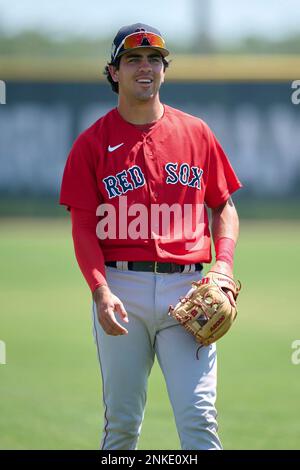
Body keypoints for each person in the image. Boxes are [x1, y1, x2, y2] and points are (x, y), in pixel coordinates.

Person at [59, 23, 242, 451]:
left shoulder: (197, 133)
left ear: (164, 71)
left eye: (155, 59)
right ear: (114, 72)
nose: (146, 66)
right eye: (133, 59)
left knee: (199, 421)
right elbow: (84, 226)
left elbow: (224, 206)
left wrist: (223, 265)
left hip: (189, 288)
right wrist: (100, 290)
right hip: (122, 289)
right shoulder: (91, 144)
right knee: (121, 426)